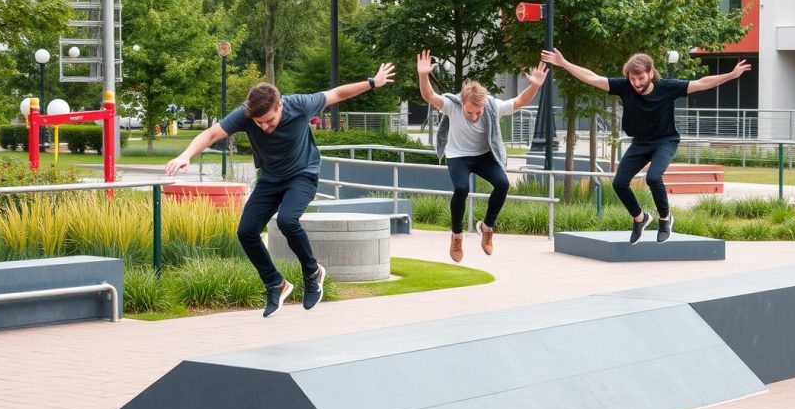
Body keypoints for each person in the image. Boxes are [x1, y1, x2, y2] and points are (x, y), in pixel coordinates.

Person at [164, 63, 396, 317]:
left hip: (302, 174)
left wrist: (373, 82)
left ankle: (313, 271)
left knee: (287, 220)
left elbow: (337, 94)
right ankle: (276, 282)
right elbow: (211, 134)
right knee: (246, 232)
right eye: (258, 123)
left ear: (280, 106)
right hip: (270, 178)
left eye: (269, 121)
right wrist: (186, 155)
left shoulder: (300, 104)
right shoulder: (244, 114)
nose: (263, 127)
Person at [541, 48, 751, 244]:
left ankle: (665, 218)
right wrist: (565, 63)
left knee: (653, 177)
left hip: (665, 141)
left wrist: (730, 76)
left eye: (640, 78)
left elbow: (701, 83)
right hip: (640, 143)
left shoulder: (667, 87)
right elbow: (593, 79)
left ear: (651, 73)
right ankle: (640, 218)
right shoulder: (624, 86)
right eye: (632, 79)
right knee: (619, 183)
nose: (636, 83)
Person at [417, 50, 548, 262]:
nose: (474, 116)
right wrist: (423, 75)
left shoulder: (492, 106)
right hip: (458, 155)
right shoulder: (453, 105)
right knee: (461, 188)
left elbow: (521, 101)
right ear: (463, 103)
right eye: (470, 113)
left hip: (484, 155)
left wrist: (535, 85)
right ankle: (457, 235)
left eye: (478, 112)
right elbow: (429, 96)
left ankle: (486, 227)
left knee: (503, 184)